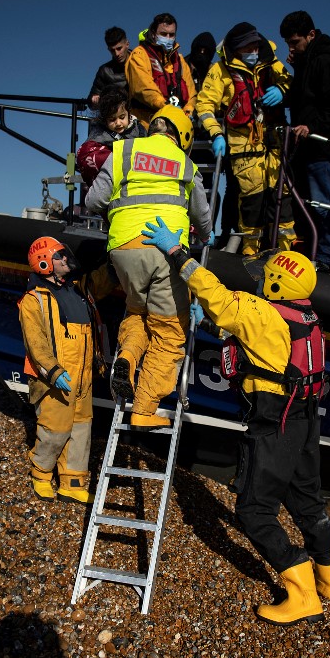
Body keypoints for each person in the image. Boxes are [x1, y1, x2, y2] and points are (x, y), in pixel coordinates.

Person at [141, 218, 330, 626]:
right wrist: (215, 322)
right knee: (307, 501)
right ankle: (328, 580)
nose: (261, 281)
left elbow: (214, 292)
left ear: (278, 284)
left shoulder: (259, 311)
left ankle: (302, 594)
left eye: (267, 276)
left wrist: (176, 252)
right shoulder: (308, 318)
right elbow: (261, 341)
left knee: (253, 509)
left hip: (273, 424)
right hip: (304, 422)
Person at [84, 105, 213, 428]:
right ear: (182, 135)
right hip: (165, 253)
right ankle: (143, 409)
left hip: (123, 250)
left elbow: (93, 202)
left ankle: (126, 358)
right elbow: (203, 219)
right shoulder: (186, 163)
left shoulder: (123, 151)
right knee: (169, 332)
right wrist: (207, 236)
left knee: (137, 312)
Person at [18, 237, 112, 503]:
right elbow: (36, 344)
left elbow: (100, 282)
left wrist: (115, 265)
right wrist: (54, 371)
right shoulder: (33, 300)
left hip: (83, 376)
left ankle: (72, 482)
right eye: (58, 256)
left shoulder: (77, 290)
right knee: (54, 429)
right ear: (45, 262)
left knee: (82, 429)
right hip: (55, 378)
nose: (65, 259)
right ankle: (41, 475)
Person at [198, 22, 294, 256]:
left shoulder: (271, 62)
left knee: (282, 198)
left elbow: (290, 83)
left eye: (255, 46)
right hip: (243, 147)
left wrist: (282, 90)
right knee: (252, 201)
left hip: (274, 142)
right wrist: (216, 133)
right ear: (236, 49)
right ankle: (251, 254)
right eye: (247, 48)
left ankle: (284, 252)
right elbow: (205, 105)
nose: (252, 51)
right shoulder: (220, 70)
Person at [279, 11, 330, 272]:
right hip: (308, 147)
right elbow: (305, 96)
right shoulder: (307, 59)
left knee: (323, 204)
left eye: (295, 42)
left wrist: (313, 126)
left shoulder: (328, 59)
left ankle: (325, 259)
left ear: (311, 35)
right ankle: (311, 254)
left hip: (326, 147)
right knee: (308, 205)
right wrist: (297, 66)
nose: (291, 47)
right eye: (288, 43)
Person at [126, 13, 197, 128]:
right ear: (154, 34)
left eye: (171, 35)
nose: (168, 38)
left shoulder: (180, 61)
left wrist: (187, 113)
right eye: (163, 34)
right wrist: (167, 107)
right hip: (146, 125)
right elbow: (143, 88)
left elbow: (191, 93)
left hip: (176, 126)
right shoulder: (139, 55)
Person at [76, 86, 148, 186]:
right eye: (112, 119)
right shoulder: (100, 133)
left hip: (137, 177)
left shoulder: (139, 129)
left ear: (129, 113)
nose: (118, 123)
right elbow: (84, 154)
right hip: (111, 179)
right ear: (104, 119)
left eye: (122, 117)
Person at [88, 27, 132, 109]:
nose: (117, 53)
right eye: (112, 50)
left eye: (119, 48)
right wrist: (95, 101)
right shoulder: (104, 71)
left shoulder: (142, 62)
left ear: (127, 44)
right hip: (119, 116)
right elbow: (91, 102)